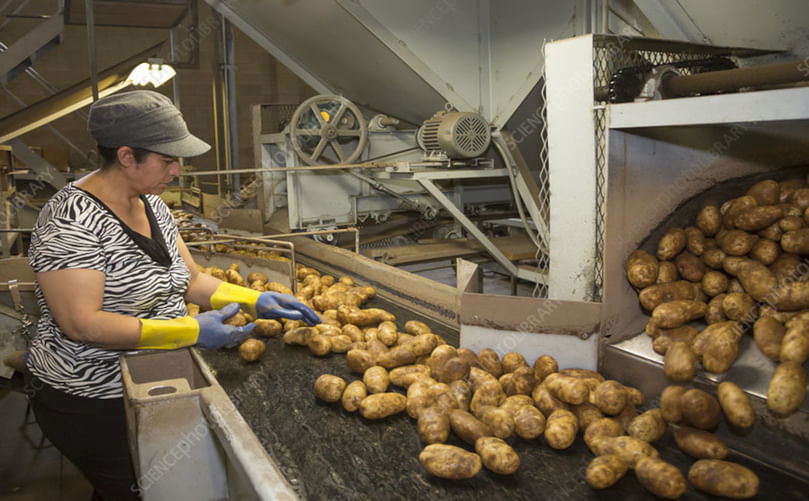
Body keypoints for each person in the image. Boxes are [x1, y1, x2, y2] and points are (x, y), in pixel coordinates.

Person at [24, 90, 319, 500]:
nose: (178, 171)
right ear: (127, 156)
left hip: (154, 379)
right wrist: (187, 331)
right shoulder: (70, 219)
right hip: (91, 396)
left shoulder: (153, 206)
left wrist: (257, 300)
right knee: (135, 489)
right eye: (167, 160)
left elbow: (192, 281)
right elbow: (82, 324)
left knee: (151, 485)